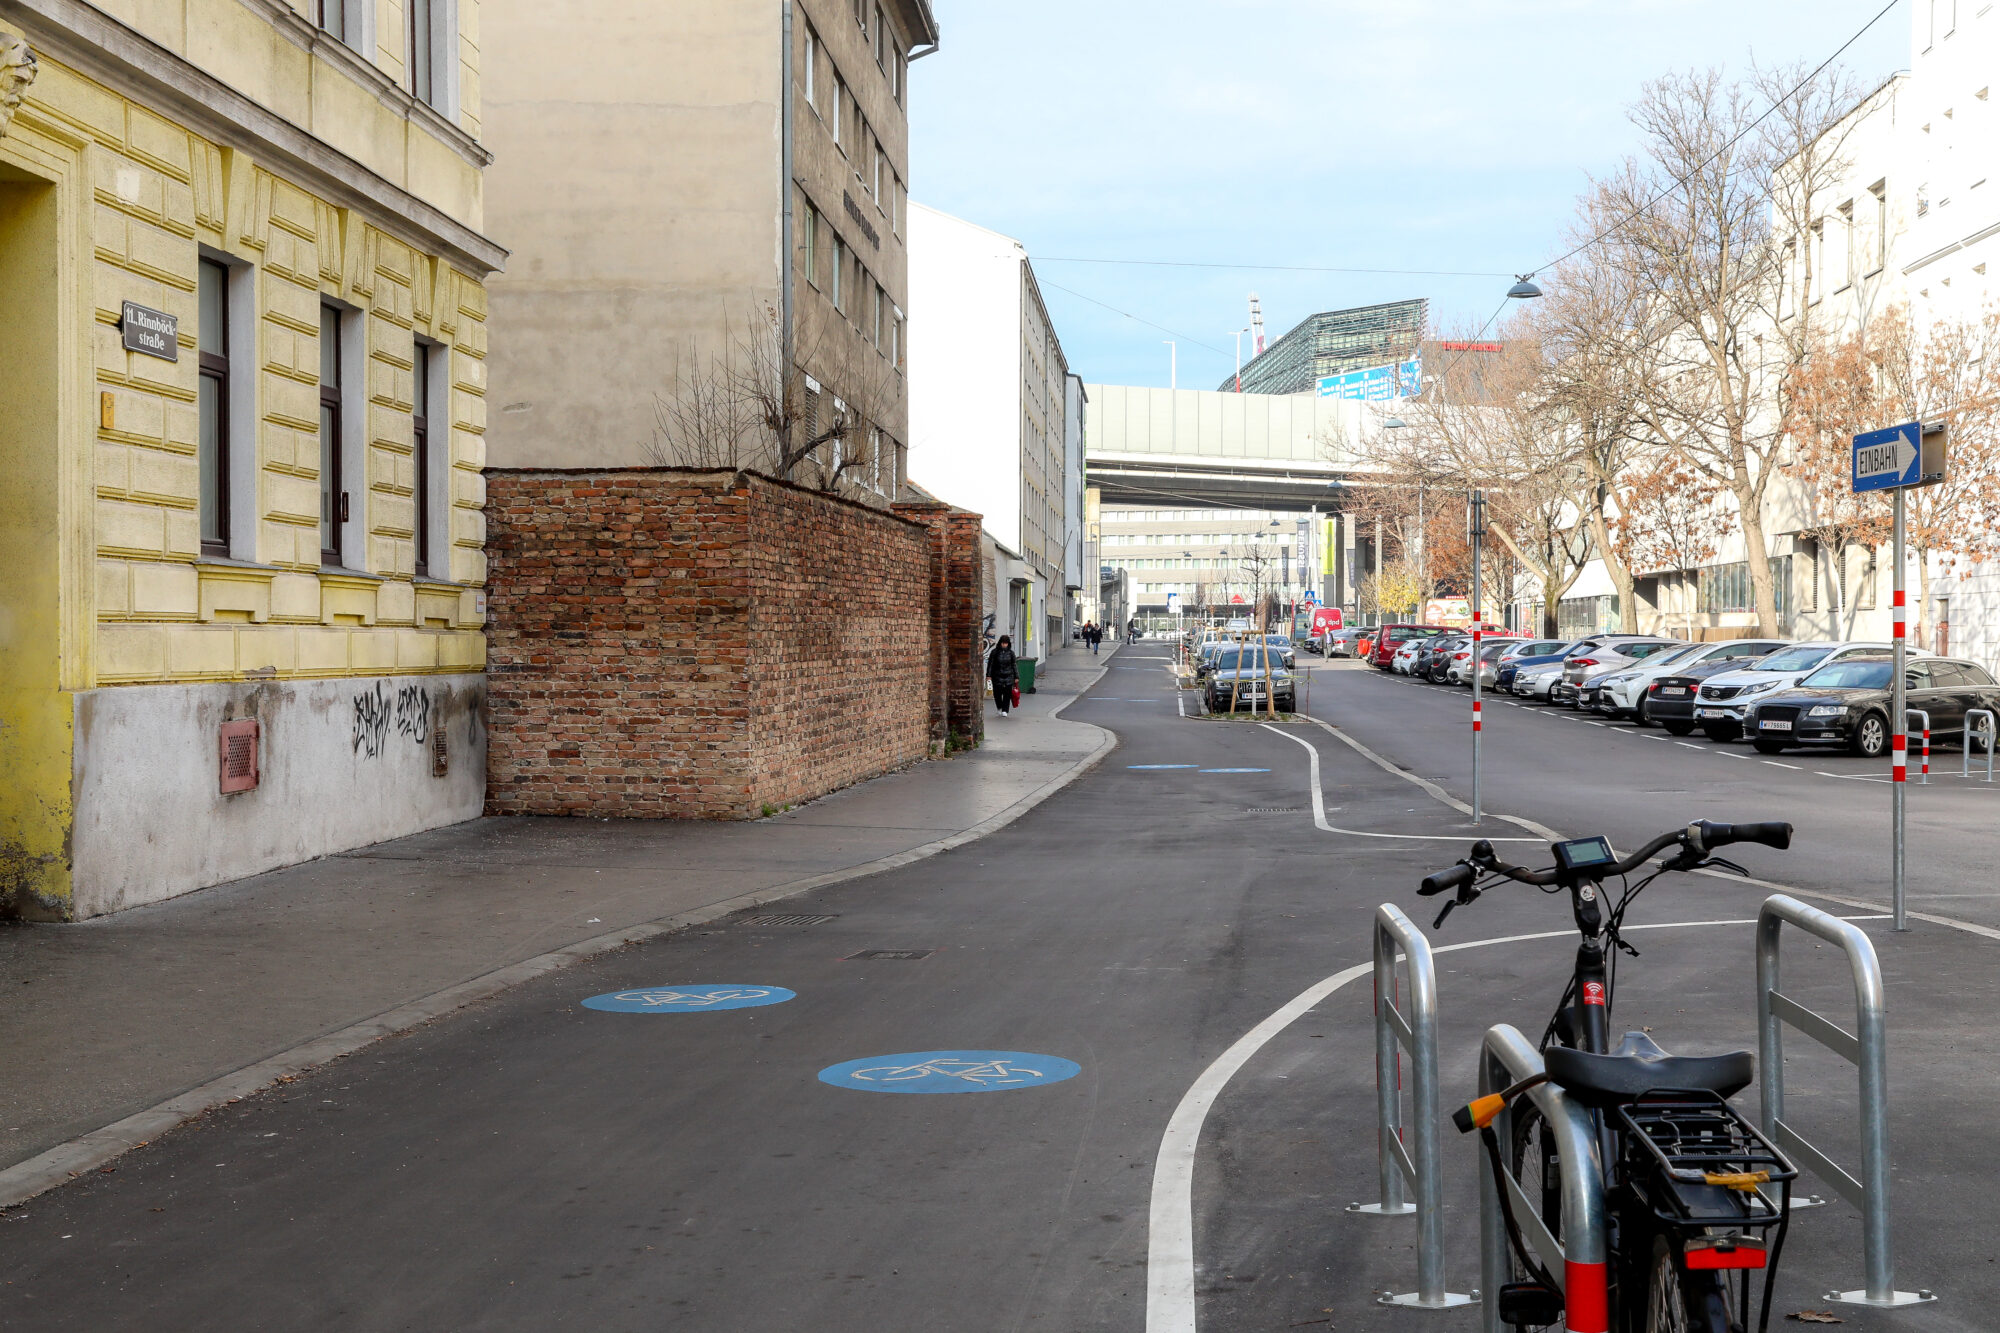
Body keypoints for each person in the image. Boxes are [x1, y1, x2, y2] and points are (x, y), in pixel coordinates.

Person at [987, 634, 1019, 716]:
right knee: (997, 694)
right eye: (1003, 643)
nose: (1004, 645)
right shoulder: (994, 652)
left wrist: (1016, 676)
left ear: (1008, 644)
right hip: (997, 676)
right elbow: (990, 664)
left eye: (1006, 643)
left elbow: (1014, 665)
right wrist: (988, 675)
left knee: (1007, 694)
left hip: (1008, 676)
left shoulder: (1011, 653)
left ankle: (1005, 710)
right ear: (1000, 643)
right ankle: (999, 707)